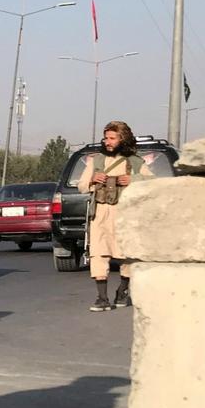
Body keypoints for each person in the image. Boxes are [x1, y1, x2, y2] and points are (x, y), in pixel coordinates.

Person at [80, 120, 149, 312]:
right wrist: (93, 179)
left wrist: (133, 179)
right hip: (101, 214)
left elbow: (153, 181)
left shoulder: (135, 162)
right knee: (98, 253)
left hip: (125, 215)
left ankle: (122, 291)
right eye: (106, 138)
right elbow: (82, 185)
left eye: (112, 138)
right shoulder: (97, 161)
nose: (107, 142)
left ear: (123, 139)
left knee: (126, 255)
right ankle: (102, 298)